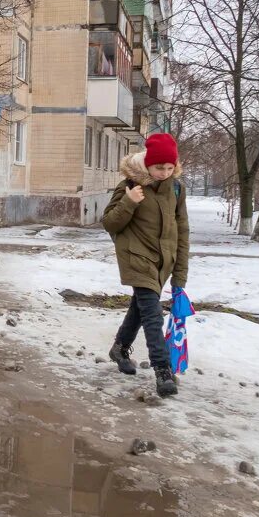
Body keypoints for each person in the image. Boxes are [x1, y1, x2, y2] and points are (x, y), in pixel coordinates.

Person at [102, 133, 190, 398]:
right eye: (159, 167)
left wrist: (179, 275)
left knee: (140, 309)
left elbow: (182, 230)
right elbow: (109, 223)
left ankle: (120, 347)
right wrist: (130, 201)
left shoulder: (177, 188)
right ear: (148, 164)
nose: (164, 172)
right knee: (153, 315)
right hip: (137, 257)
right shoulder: (130, 184)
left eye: (169, 167)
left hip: (163, 261)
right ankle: (162, 369)